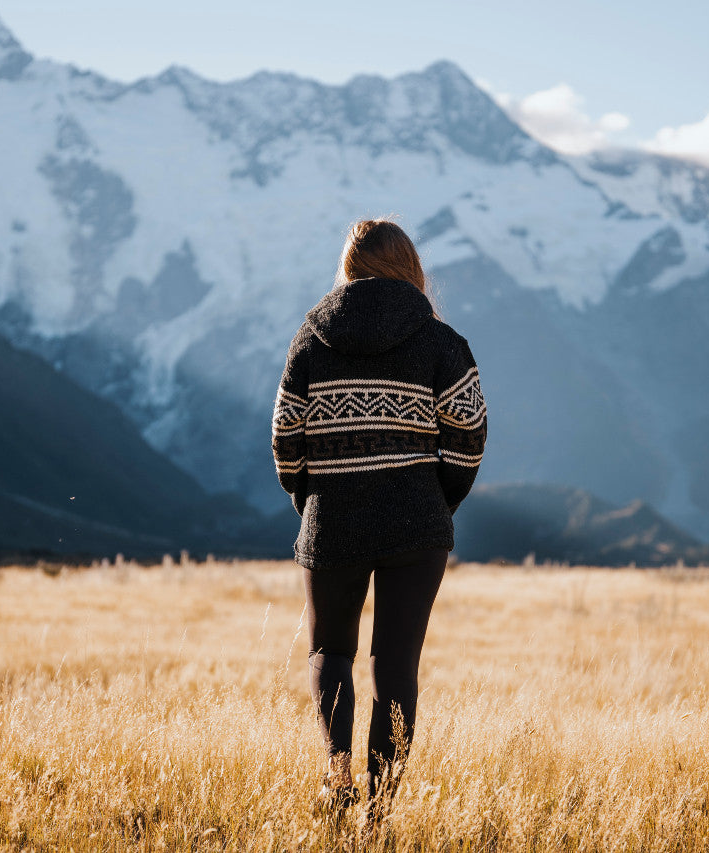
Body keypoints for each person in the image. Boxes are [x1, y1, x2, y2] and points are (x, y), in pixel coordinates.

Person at [271, 218, 487, 827]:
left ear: (348, 267)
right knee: (396, 666)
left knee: (329, 651)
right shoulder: (442, 342)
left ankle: (338, 782)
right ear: (411, 267)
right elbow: (468, 436)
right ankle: (380, 813)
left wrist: (311, 497)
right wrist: (433, 501)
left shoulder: (311, 339)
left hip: (331, 519)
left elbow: (287, 435)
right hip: (416, 526)